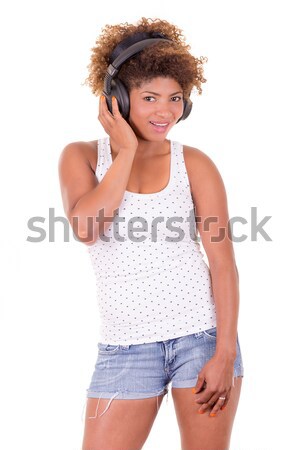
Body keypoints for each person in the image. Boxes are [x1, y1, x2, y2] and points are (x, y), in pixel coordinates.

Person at [58, 17, 244, 450]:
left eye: (176, 98)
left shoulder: (195, 163)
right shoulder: (81, 156)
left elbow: (222, 263)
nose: (166, 112)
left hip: (202, 338)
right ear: (118, 100)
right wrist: (124, 152)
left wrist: (225, 352)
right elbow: (88, 228)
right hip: (125, 348)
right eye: (149, 98)